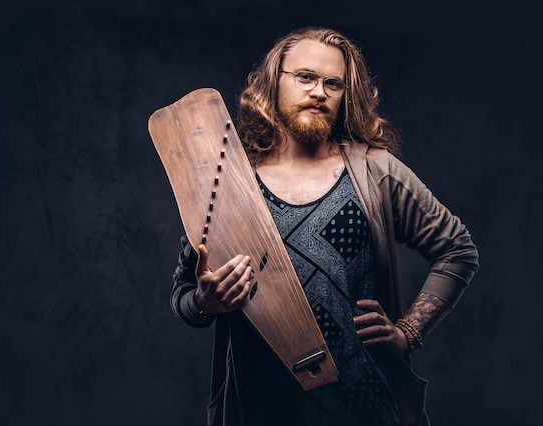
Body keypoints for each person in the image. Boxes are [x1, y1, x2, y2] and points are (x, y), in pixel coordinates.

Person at [171, 27, 479, 426]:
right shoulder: (229, 184)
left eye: (333, 83)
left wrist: (408, 331)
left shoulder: (374, 171)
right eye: (305, 77)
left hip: (369, 404)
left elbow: (457, 249)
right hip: (261, 407)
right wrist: (205, 302)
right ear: (273, 81)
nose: (319, 91)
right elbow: (183, 295)